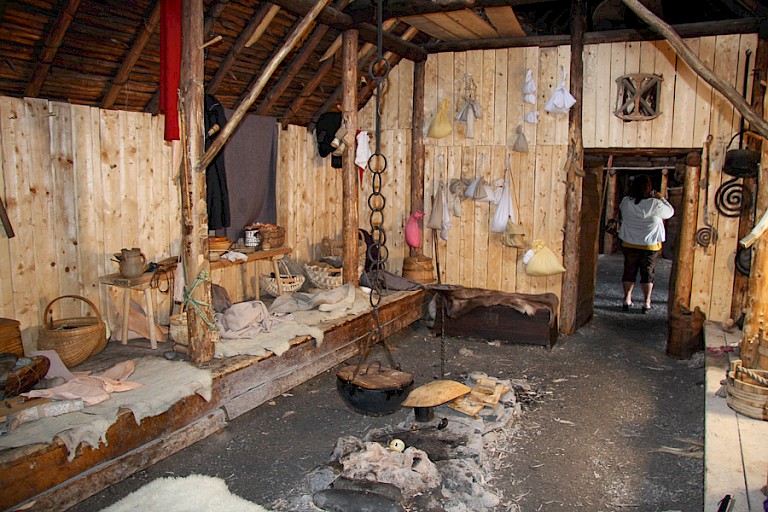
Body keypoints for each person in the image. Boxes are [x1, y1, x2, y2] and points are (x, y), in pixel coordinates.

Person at [618, 174, 674, 313]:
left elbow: (622, 210)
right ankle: (646, 302)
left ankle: (627, 299)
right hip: (650, 245)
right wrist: (661, 197)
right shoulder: (655, 204)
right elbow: (670, 212)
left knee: (629, 271)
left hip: (629, 242)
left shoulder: (626, 202)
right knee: (647, 273)